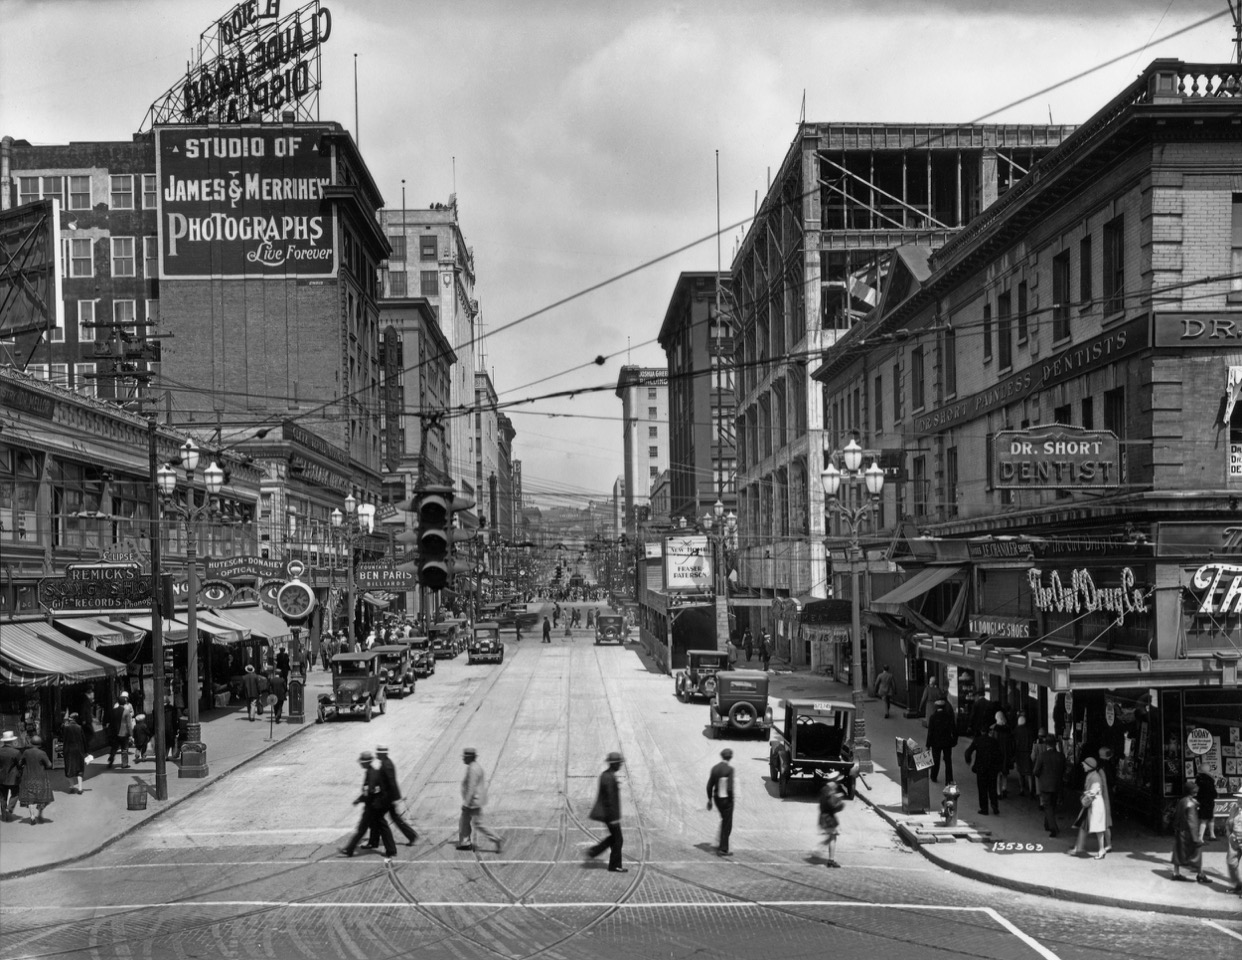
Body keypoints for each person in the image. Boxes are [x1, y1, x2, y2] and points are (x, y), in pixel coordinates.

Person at [339, 751, 396, 860]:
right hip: (374, 805)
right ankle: (390, 849)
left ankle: (349, 849)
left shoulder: (371, 774)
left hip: (373, 807)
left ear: (366, 762)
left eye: (362, 761)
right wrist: (359, 799)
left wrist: (361, 799)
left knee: (367, 828)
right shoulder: (371, 772)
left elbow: (369, 791)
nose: (360, 763)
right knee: (377, 827)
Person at [367, 744, 418, 848]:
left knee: (377, 817)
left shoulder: (387, 765)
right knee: (393, 818)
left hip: (387, 798)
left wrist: (393, 798)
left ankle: (374, 841)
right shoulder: (385, 763)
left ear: (382, 754)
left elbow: (391, 783)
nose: (377, 754)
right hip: (388, 797)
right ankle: (411, 836)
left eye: (378, 753)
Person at [586, 751, 626, 871]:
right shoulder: (608, 777)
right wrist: (613, 818)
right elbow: (609, 800)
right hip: (610, 815)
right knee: (618, 839)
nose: (620, 765)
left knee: (615, 838)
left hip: (610, 814)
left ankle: (595, 851)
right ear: (614, 764)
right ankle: (614, 865)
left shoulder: (607, 775)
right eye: (619, 763)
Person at [458, 747, 504, 853]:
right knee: (466, 821)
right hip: (475, 800)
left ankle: (496, 838)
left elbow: (471, 787)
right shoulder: (475, 766)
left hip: (472, 801)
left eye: (465, 757)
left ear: (469, 757)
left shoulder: (472, 769)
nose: (463, 759)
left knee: (477, 823)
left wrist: (466, 803)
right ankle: (465, 843)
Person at [1171, 778, 1209, 883]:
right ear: (1193, 792)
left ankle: (1176, 873)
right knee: (1197, 853)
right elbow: (1192, 822)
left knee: (1178, 853)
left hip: (1180, 831)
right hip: (1188, 833)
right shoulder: (1191, 804)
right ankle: (1200, 874)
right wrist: (1196, 838)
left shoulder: (1181, 801)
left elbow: (1176, 817)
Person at [1069, 757, 1108, 858]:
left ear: (1089, 766)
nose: (1083, 766)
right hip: (1092, 805)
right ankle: (1079, 847)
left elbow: (1093, 792)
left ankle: (1100, 849)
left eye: (1084, 765)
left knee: (1097, 828)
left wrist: (1084, 797)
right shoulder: (1093, 775)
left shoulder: (1095, 777)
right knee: (1085, 826)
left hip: (1094, 805)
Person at [964, 723, 1002, 815]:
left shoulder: (977, 740)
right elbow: (1000, 755)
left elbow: (968, 752)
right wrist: (999, 767)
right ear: (988, 731)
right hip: (992, 768)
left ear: (981, 731)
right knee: (992, 787)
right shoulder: (994, 741)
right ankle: (994, 804)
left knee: (982, 789)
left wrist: (968, 761)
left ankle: (984, 809)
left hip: (981, 767)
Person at [1032, 735, 1066, 837]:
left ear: (1046, 744)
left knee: (1047, 806)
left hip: (1045, 784)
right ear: (1055, 744)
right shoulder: (1061, 756)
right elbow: (1063, 769)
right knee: (1052, 805)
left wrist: (1041, 777)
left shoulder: (1042, 756)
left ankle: (1053, 827)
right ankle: (1047, 824)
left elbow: (1035, 771)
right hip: (1057, 784)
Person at [706, 747, 736, 856]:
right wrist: (731, 799)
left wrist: (710, 800)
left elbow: (709, 786)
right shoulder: (729, 769)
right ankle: (723, 848)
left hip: (716, 798)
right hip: (726, 799)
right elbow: (730, 788)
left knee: (724, 820)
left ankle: (720, 842)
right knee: (727, 823)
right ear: (730, 757)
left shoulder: (715, 768)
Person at [18, 736, 54, 824]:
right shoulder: (42, 753)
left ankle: (32, 817)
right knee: (43, 797)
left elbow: (20, 763)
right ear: (40, 744)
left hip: (28, 777)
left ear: (31, 743)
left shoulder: (26, 752)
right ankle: (40, 813)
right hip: (40, 778)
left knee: (30, 798)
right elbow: (49, 765)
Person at [818, 770, 846, 868]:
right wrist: (839, 801)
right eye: (837, 781)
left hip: (825, 817)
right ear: (833, 781)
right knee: (833, 837)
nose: (837, 784)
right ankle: (831, 860)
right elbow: (832, 806)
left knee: (831, 837)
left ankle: (821, 850)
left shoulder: (825, 790)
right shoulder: (830, 792)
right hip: (828, 818)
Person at [926, 699, 957, 784]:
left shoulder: (933, 717)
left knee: (936, 760)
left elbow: (930, 732)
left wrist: (928, 745)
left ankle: (934, 776)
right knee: (948, 761)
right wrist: (954, 741)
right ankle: (949, 779)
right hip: (947, 742)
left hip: (936, 742)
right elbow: (954, 730)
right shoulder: (949, 716)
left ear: (936, 707)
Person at [60, 713, 87, 794]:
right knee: (79, 769)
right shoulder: (79, 727)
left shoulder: (65, 727)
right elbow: (84, 740)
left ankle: (72, 786)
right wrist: (86, 751)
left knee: (69, 769)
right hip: (78, 750)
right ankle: (80, 788)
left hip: (68, 751)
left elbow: (61, 736)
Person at [107, 690, 134, 768]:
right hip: (123, 733)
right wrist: (131, 734)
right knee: (124, 748)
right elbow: (129, 724)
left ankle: (111, 759)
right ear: (125, 702)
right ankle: (124, 764)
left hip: (115, 732)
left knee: (114, 747)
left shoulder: (113, 711)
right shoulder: (126, 712)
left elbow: (110, 722)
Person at [0, 730, 22, 821]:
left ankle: (4, 815)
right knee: (16, 793)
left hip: (1, 778)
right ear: (12, 741)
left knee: (2, 796)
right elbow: (20, 765)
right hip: (13, 778)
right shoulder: (16, 752)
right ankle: (10, 808)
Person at [1225, 790, 1242, 895]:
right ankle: (1238, 885)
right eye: (1238, 798)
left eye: (1241, 798)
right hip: (1234, 839)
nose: (1239, 800)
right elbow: (1228, 823)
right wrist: (1229, 834)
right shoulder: (1234, 810)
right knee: (1231, 862)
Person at [1013, 715, 1035, 797]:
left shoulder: (1016, 730)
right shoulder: (1029, 730)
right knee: (1029, 772)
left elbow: (1014, 742)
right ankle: (1031, 790)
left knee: (1020, 772)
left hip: (1019, 753)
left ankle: (1022, 789)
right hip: (1028, 753)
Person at [1195, 765, 1218, 842]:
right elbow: (1213, 791)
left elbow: (1198, 791)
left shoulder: (1198, 779)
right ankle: (1208, 836)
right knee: (1210, 818)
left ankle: (1203, 837)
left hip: (1202, 801)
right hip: (1209, 801)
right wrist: (1215, 795)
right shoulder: (1210, 779)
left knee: (1203, 819)